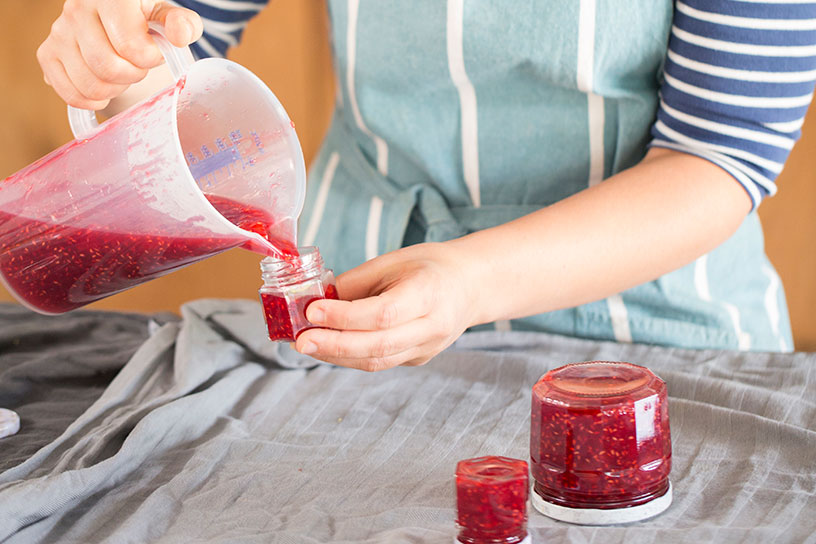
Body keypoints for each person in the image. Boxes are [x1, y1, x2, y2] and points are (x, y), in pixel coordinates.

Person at [37, 0, 816, 371]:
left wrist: (467, 278)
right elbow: (174, 33)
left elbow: (721, 154)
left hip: (654, 328)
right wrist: (109, 57)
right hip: (355, 318)